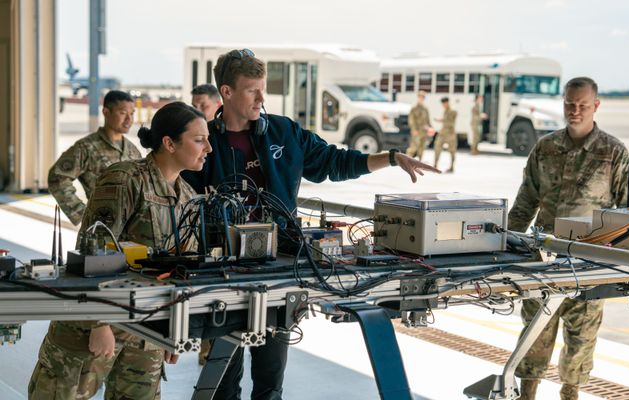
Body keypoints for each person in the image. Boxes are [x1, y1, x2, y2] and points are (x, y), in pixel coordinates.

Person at [181, 48, 439, 400]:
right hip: (222, 275)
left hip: (280, 270)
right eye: (252, 90)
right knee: (223, 382)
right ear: (226, 92)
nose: (261, 97)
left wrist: (391, 158)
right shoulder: (204, 143)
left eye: (262, 88)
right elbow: (178, 198)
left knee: (270, 382)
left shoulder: (283, 133)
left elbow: (333, 162)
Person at [29, 102, 212, 400]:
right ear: (169, 143)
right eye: (199, 139)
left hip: (146, 331)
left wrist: (171, 331)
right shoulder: (125, 179)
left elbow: (179, 273)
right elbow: (92, 250)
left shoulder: (188, 198)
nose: (209, 148)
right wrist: (99, 322)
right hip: (94, 325)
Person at [508, 77, 629, 400]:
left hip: (589, 267)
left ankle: (570, 394)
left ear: (596, 106)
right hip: (543, 264)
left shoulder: (614, 153)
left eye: (582, 106)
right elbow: (524, 204)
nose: (574, 111)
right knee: (533, 339)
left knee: (580, 344)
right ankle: (527, 395)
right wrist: (505, 246)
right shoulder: (545, 149)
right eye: (569, 104)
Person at [48, 90, 141, 225]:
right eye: (122, 113)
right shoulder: (87, 147)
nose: (129, 119)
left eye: (132, 114)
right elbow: (57, 178)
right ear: (106, 112)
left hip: (130, 229)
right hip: (100, 230)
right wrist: (82, 214)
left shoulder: (132, 150)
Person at [190, 84, 222, 365]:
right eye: (194, 105)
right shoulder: (192, 149)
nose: (197, 110)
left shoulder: (221, 146)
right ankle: (205, 348)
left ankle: (210, 349)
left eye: (202, 106)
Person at [406, 90, 435, 160]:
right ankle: (406, 160)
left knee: (422, 148)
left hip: (424, 131)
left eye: (423, 97)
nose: (421, 98)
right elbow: (411, 120)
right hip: (417, 131)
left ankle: (419, 162)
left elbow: (428, 120)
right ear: (418, 97)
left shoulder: (425, 109)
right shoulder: (414, 108)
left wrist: (431, 128)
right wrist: (414, 129)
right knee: (413, 147)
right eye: (420, 97)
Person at [434, 97, 458, 173]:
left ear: (447, 102)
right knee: (437, 147)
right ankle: (435, 165)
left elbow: (451, 122)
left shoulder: (452, 111)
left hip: (450, 133)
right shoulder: (446, 111)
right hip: (443, 132)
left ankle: (452, 167)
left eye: (444, 103)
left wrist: (442, 120)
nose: (443, 105)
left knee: (452, 151)